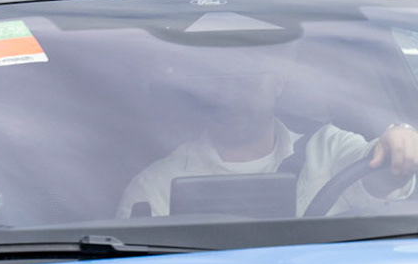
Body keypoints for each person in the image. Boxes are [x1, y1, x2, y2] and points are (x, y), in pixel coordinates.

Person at [117, 50, 418, 216]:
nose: (233, 95)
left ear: (278, 84)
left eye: (247, 79)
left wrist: (399, 144)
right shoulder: (154, 187)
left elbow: (380, 175)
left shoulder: (328, 148)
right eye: (220, 83)